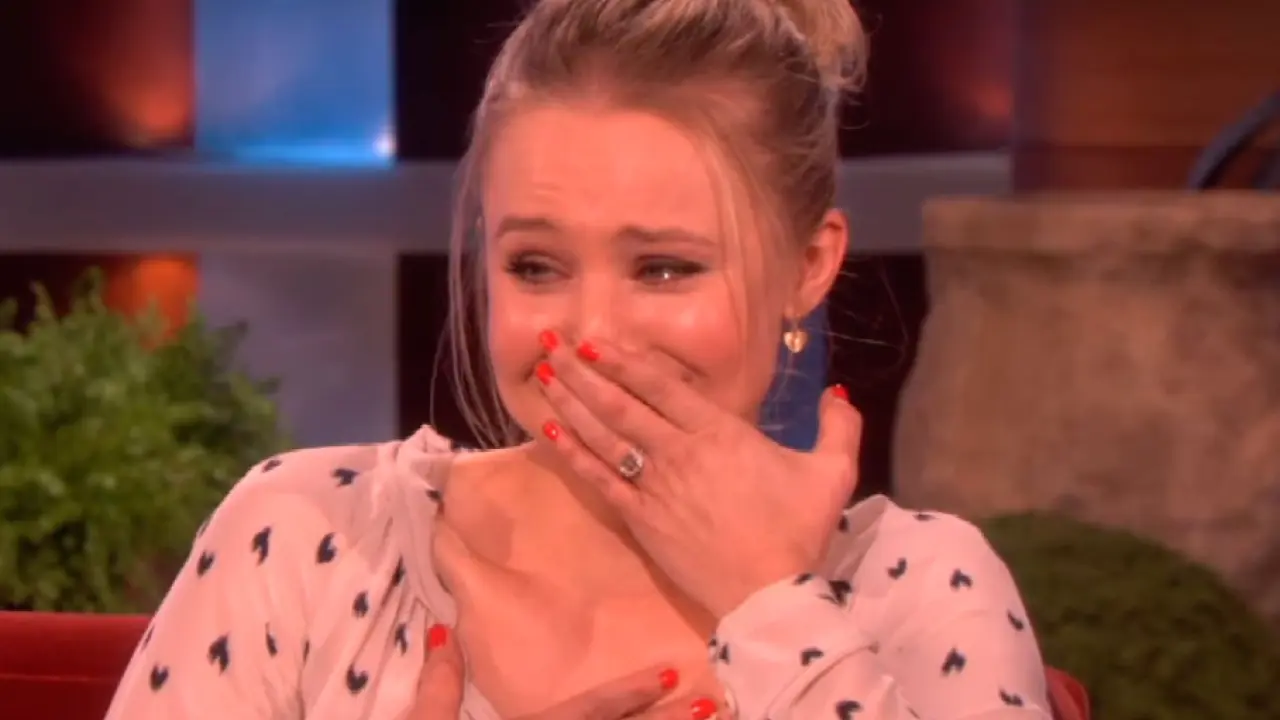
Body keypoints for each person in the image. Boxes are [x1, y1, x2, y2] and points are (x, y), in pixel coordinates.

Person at [104, 0, 1053, 717]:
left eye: (665, 268)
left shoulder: (921, 588)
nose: (590, 334)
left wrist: (774, 605)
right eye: (537, 266)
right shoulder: (304, 537)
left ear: (809, 267)